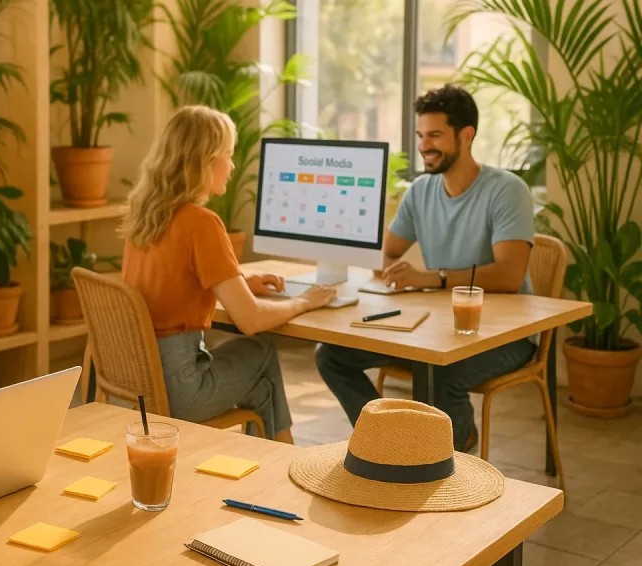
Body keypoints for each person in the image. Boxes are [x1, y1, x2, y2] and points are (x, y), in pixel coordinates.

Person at [315, 84, 537, 452]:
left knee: (438, 368)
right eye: (420, 135)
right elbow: (383, 251)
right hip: (437, 329)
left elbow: (509, 276)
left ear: (466, 135)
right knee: (332, 355)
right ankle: (390, 444)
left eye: (435, 135)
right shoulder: (421, 192)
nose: (424, 145)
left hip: (507, 336)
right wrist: (387, 272)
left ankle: (454, 446)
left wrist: (431, 279)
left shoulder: (506, 190)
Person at [121, 105, 337, 444]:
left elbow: (171, 283)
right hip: (181, 392)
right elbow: (249, 319)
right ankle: (284, 463)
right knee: (261, 350)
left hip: (139, 385)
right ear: (205, 161)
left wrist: (238, 283)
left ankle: (274, 462)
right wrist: (303, 302)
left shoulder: (146, 217)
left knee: (262, 381)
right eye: (228, 155)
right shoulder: (201, 223)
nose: (232, 165)